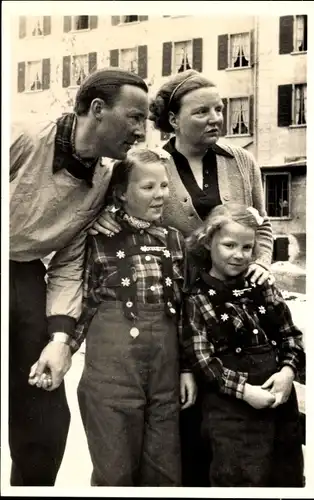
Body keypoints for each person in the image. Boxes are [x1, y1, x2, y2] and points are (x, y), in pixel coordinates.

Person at [91, 69, 274, 486]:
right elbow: (115, 206)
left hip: (237, 312)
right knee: (182, 432)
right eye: (202, 111)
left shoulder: (241, 161)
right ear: (173, 119)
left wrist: (261, 262)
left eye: (219, 109)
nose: (216, 118)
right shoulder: (146, 163)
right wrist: (102, 218)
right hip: (180, 313)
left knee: (237, 431)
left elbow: (261, 225)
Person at [9, 68, 149, 486]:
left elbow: (69, 262)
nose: (141, 132)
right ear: (97, 109)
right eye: (135, 117)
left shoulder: (105, 177)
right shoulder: (24, 136)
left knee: (45, 414)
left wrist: (59, 341)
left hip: (23, 273)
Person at [73, 148, 197, 486]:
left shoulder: (175, 240)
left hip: (164, 371)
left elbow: (185, 308)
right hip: (113, 369)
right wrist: (63, 349)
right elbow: (80, 299)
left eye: (164, 186)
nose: (160, 195)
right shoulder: (96, 238)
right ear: (121, 193)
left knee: (164, 468)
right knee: (114, 467)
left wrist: (186, 367)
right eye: (147, 187)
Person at [182, 203, 305, 487]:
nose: (239, 255)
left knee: (287, 478)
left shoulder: (262, 286)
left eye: (247, 248)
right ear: (207, 241)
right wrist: (245, 391)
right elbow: (203, 361)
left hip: (281, 406)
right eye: (229, 245)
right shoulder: (196, 297)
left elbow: (290, 335)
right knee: (238, 480)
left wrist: (288, 373)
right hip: (231, 414)